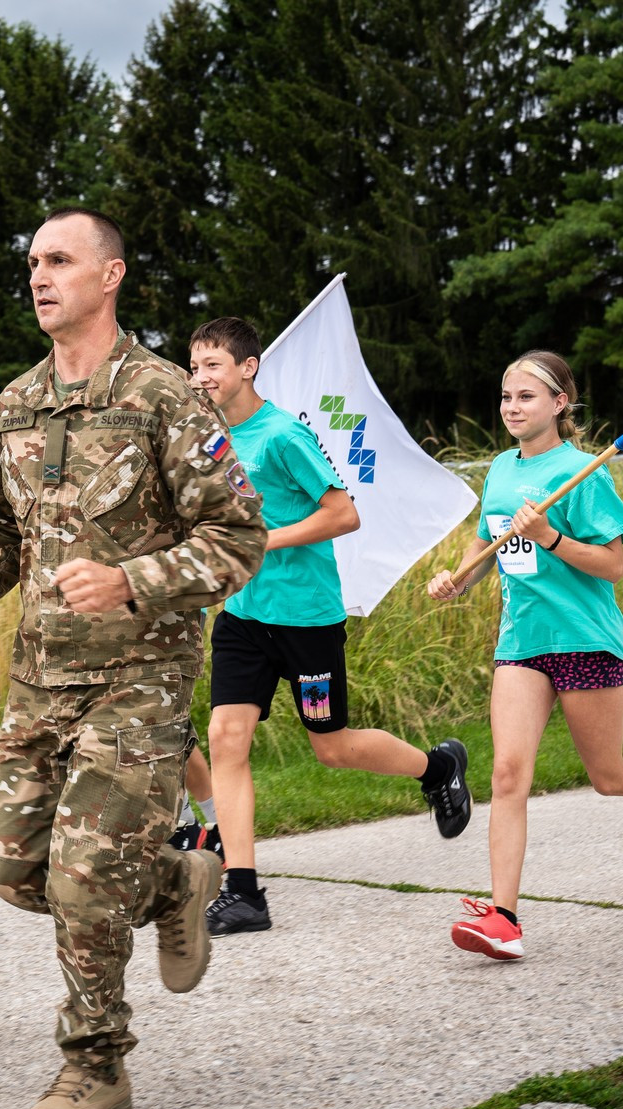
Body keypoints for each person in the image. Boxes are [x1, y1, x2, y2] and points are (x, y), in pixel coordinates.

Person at [0, 207, 266, 1109]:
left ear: (110, 276)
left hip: (140, 681)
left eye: (60, 260)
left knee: (82, 882)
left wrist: (133, 581)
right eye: (32, 260)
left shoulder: (164, 397)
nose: (39, 276)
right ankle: (169, 886)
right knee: (14, 874)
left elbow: (239, 540)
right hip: (39, 678)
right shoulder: (17, 404)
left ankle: (95, 1064)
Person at [427, 350, 623, 961]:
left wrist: (552, 538)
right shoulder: (500, 474)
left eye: (526, 397)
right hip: (521, 646)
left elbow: (613, 564)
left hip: (585, 639)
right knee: (508, 774)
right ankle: (503, 917)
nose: (512, 407)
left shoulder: (585, 472)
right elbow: (488, 550)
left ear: (560, 404)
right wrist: (458, 578)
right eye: (506, 397)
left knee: (607, 776)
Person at [188, 317, 471, 938]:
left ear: (248, 367)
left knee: (332, 747)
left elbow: (344, 514)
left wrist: (264, 542)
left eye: (213, 365)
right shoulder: (205, 440)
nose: (201, 377)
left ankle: (438, 769)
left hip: (306, 621)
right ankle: (244, 894)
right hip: (239, 618)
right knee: (226, 738)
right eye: (195, 365)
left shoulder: (284, 435)